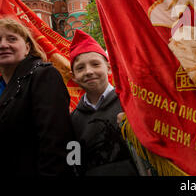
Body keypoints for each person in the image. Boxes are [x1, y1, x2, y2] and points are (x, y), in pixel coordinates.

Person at [0, 17, 75, 176]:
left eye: (12, 39)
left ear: (27, 48)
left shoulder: (42, 75)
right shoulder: (5, 87)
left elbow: (57, 141)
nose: (3, 45)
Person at [70, 29, 138, 176]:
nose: (88, 71)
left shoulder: (130, 103)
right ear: (74, 76)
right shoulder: (72, 120)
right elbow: (73, 164)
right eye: (80, 68)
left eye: (95, 64)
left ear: (108, 68)